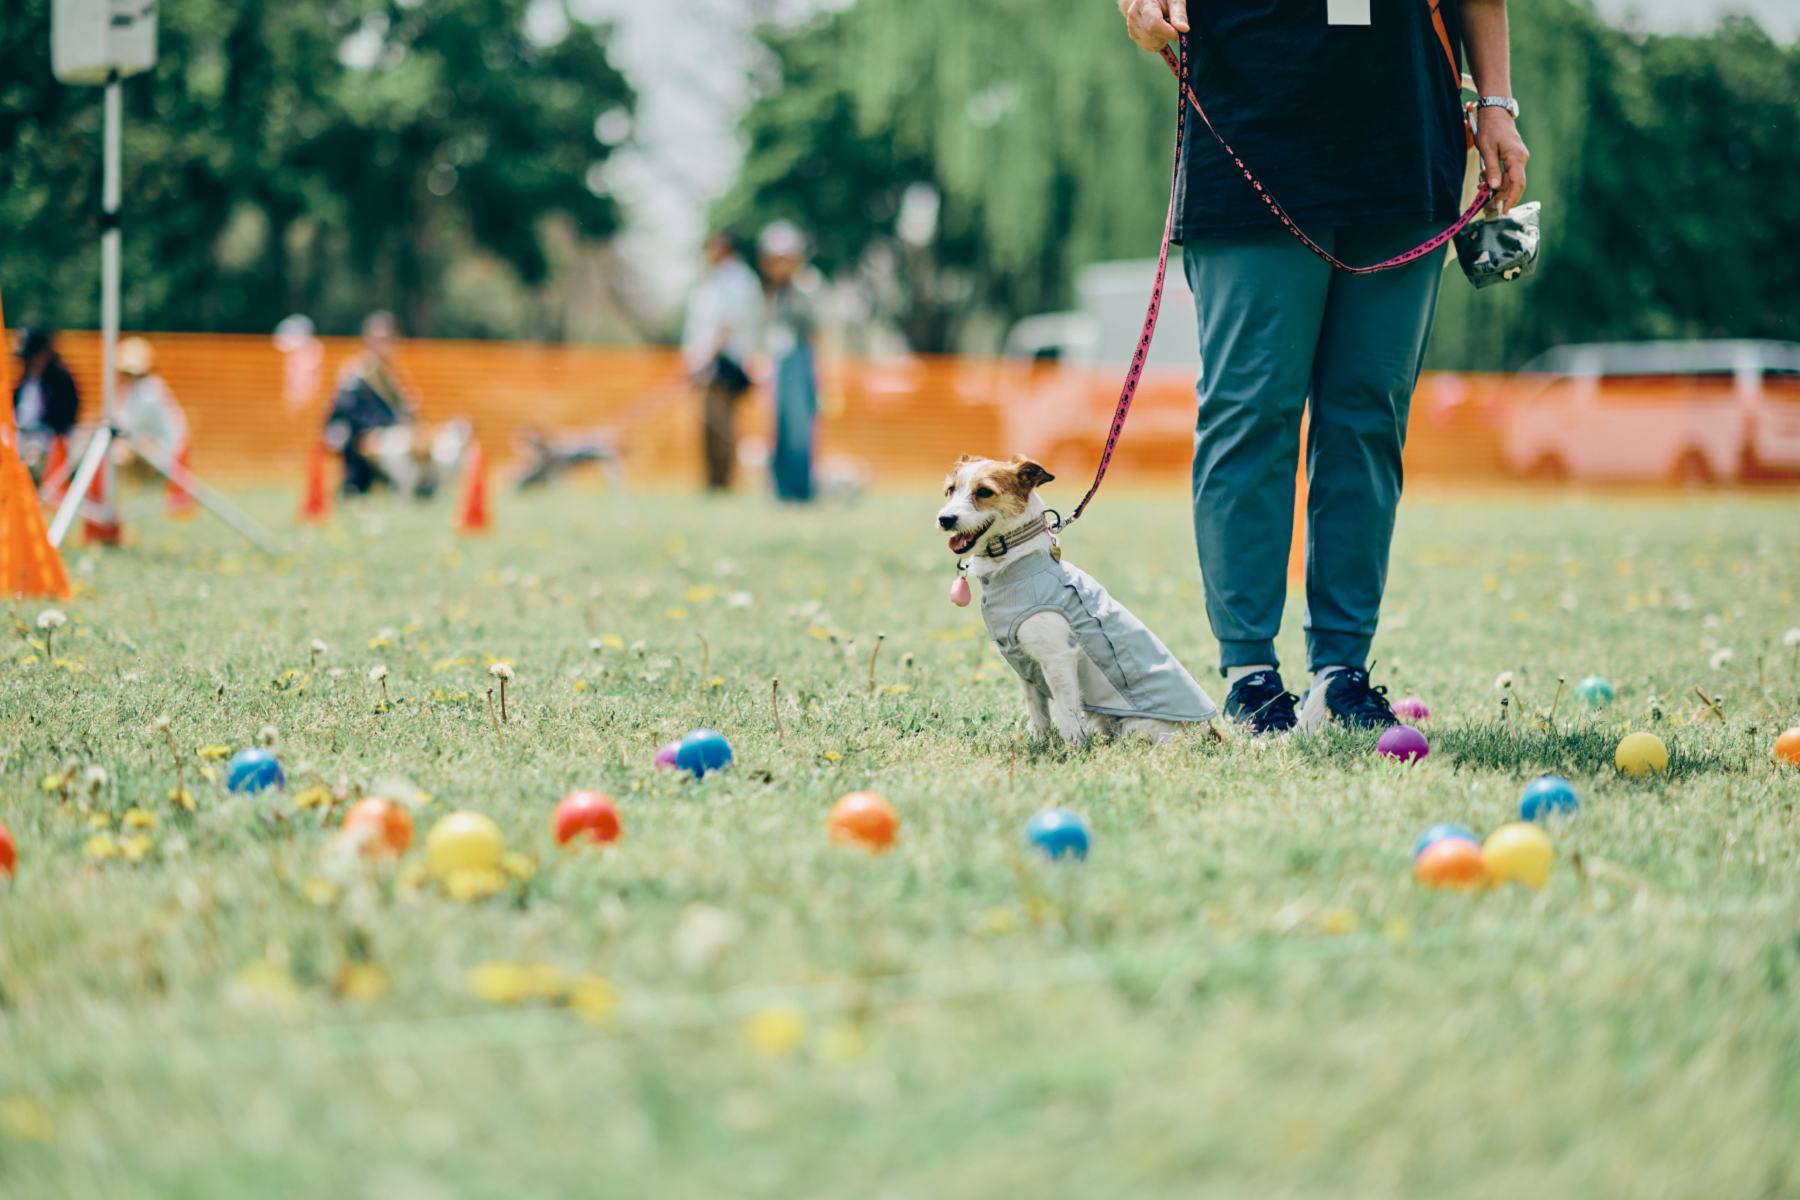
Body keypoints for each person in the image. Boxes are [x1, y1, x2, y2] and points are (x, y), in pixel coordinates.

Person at [1116, 0, 1528, 734]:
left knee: (1368, 415)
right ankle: (1250, 676)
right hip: (1252, 129)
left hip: (1407, 137)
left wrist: (1494, 103)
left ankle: (1342, 675)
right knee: (1252, 411)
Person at [681, 231, 761, 491]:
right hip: (708, 364)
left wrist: (706, 359)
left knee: (720, 424)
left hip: (723, 363)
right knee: (709, 423)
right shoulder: (715, 279)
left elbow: (727, 323)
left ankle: (723, 479)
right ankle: (713, 478)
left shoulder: (736, 278)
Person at [323, 311, 417, 496]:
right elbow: (343, 412)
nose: (384, 344)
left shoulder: (394, 373)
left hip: (393, 435)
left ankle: (416, 490)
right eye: (379, 339)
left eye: (389, 338)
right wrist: (370, 432)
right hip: (363, 437)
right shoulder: (357, 372)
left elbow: (405, 412)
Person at [759, 222, 819, 503]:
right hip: (778, 363)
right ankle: (781, 489)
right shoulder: (773, 291)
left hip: (801, 361)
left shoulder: (807, 286)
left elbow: (819, 331)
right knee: (778, 427)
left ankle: (801, 489)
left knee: (799, 430)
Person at [11, 324, 81, 482]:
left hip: (47, 438)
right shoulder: (24, 379)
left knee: (32, 457)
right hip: (20, 434)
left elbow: (65, 420)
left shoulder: (61, 381)